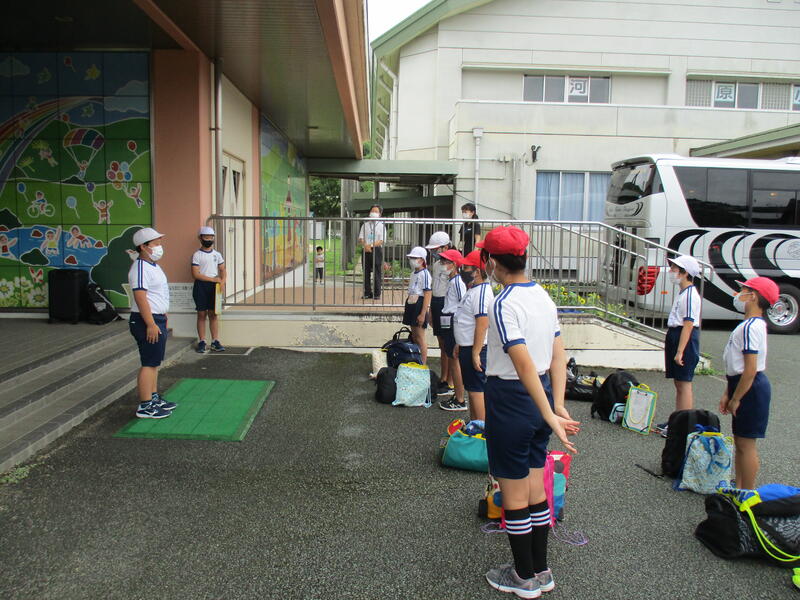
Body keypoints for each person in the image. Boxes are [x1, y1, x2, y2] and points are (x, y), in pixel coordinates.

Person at [478, 225, 579, 599]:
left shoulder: (503, 303)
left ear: (492, 262)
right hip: (541, 398)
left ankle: (522, 578)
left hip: (512, 400)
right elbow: (558, 354)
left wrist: (551, 413)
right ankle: (541, 570)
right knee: (536, 489)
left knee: (515, 493)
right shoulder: (543, 296)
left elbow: (522, 365)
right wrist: (555, 405)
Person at [719, 276, 778, 491]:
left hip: (750, 389)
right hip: (742, 384)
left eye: (743, 290)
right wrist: (728, 392)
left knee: (746, 444)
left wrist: (736, 398)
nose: (739, 295)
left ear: (752, 296)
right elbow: (737, 366)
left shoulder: (751, 327)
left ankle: (748, 493)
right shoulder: (752, 325)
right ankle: (740, 488)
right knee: (741, 442)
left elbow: (750, 369)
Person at [128, 227, 177, 419]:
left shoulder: (152, 266)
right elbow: (140, 297)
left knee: (155, 362)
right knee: (149, 363)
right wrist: (150, 324)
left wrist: (161, 318)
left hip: (157, 318)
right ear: (143, 246)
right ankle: (145, 405)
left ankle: (153, 397)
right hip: (146, 320)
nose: (159, 247)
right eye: (155, 243)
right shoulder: (140, 268)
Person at [655, 255, 702, 437]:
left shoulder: (690, 295)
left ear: (685, 273)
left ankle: (683, 426)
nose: (671, 271)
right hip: (677, 335)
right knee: (679, 382)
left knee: (684, 383)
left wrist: (680, 351)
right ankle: (677, 420)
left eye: (674, 269)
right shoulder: (684, 292)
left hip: (684, 338)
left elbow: (688, 324)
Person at [452, 250, 493, 421]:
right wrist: (459, 343)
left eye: (466, 267)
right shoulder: (473, 290)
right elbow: (465, 320)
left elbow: (482, 323)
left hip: (476, 349)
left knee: (477, 391)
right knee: (472, 390)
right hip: (467, 346)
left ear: (477, 271)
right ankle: (473, 425)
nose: (463, 270)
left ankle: (481, 430)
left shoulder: (481, 292)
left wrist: (475, 352)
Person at [436, 248, 467, 411]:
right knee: (452, 359)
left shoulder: (458, 282)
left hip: (454, 323)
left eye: (446, 262)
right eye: (442, 261)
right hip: (449, 321)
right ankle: (457, 395)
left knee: (455, 361)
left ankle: (460, 399)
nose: (442, 264)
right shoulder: (452, 281)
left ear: (454, 265)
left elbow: (463, 304)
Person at [426, 231, 455, 395]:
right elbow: (434, 288)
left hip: (447, 304)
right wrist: (430, 309)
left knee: (448, 344)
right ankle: (443, 378)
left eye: (436, 249)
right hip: (437, 303)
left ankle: (450, 382)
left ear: (445, 247)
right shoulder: (437, 265)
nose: (434, 252)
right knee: (441, 344)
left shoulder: (453, 265)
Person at [191, 226, 226, 354]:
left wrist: (222, 282)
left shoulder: (217, 254)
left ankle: (215, 341)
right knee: (201, 314)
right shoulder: (196, 255)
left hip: (214, 287)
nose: (209, 240)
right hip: (201, 286)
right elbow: (195, 274)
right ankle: (202, 341)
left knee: (213, 314)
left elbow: (223, 270)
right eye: (206, 237)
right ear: (200, 238)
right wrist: (213, 279)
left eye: (211, 237)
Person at [403, 246, 432, 364]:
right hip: (411, 303)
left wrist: (423, 314)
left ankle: (423, 364)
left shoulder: (425, 274)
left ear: (422, 259)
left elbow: (427, 293)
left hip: (419, 305)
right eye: (411, 258)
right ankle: (416, 360)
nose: (412, 260)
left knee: (420, 337)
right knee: (414, 336)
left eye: (415, 258)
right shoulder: (413, 273)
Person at [357, 204, 385, 299]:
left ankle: (377, 293)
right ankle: (367, 292)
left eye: (376, 211)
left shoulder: (381, 226)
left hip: (376, 249)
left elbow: (381, 240)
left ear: (380, 214)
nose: (374, 213)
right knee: (366, 271)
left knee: (377, 271)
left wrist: (371, 245)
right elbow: (361, 238)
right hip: (365, 249)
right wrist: (365, 245)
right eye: (372, 211)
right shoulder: (365, 225)